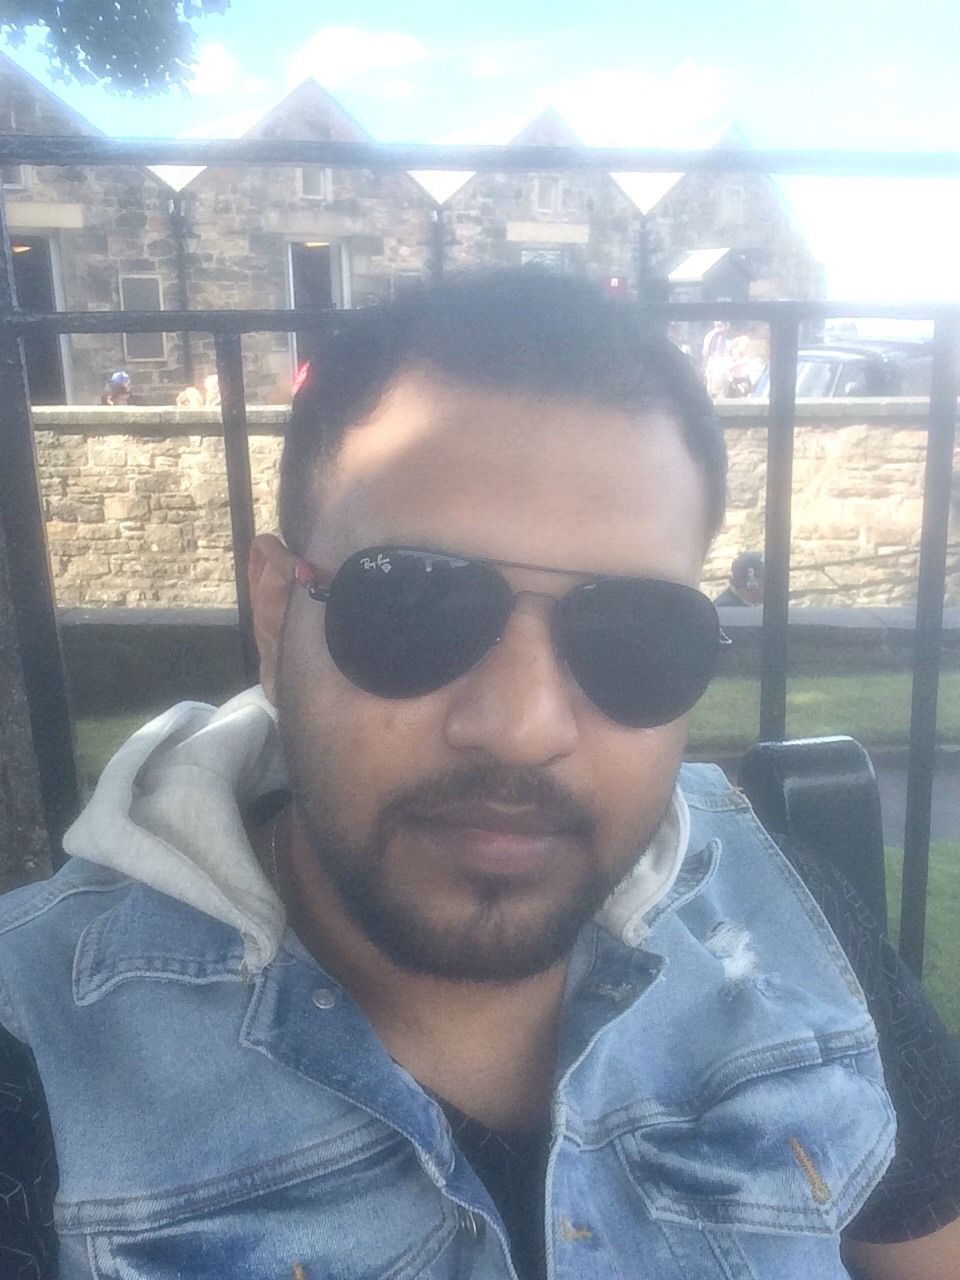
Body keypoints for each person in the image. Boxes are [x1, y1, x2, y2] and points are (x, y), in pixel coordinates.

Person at [0, 272, 958, 1279]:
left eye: (635, 632)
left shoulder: (796, 924)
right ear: (277, 616)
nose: (522, 727)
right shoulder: (32, 1059)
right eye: (415, 606)